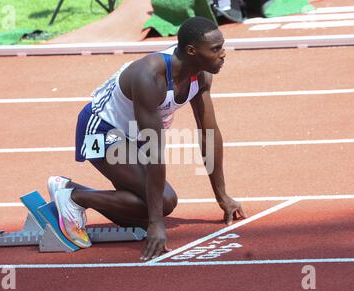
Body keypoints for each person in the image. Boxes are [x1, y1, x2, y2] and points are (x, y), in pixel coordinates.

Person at [48, 16, 246, 260]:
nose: (223, 53)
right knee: (163, 203)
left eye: (222, 47)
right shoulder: (149, 76)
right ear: (192, 51)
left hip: (134, 136)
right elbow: (154, 149)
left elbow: (209, 134)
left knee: (145, 211)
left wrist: (222, 196)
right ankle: (74, 196)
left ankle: (72, 190)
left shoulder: (201, 75)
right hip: (100, 131)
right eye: (216, 49)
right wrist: (157, 223)